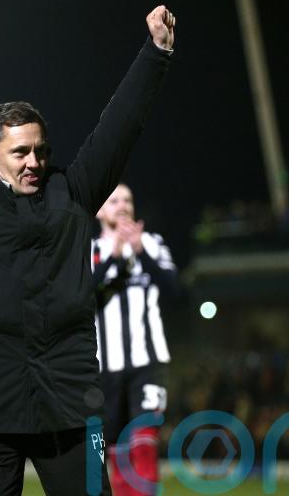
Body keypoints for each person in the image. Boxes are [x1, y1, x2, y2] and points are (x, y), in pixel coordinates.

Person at [0, 4, 175, 496]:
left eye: (41, 151)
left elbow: (119, 129)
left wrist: (155, 53)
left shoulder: (71, 195)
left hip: (68, 401)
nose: (34, 162)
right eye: (20, 152)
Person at [91, 183, 177, 495]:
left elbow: (174, 290)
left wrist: (138, 250)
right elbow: (80, 299)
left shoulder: (152, 244)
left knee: (143, 443)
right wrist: (113, 259)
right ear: (100, 210)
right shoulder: (89, 252)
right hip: (103, 369)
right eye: (114, 200)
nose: (123, 205)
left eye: (128, 199)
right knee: (115, 453)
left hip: (148, 364)